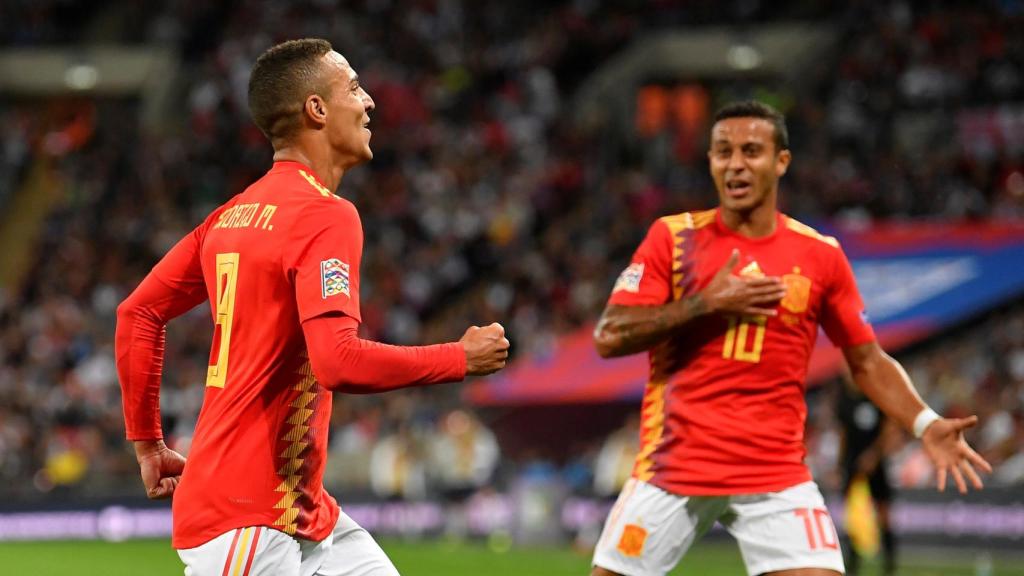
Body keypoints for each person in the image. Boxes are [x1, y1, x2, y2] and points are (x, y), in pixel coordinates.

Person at [115, 38, 509, 576]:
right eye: (353, 87)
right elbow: (338, 361)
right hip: (247, 522)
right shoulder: (326, 215)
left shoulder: (228, 217)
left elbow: (137, 314)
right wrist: (458, 358)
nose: (369, 101)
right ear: (316, 109)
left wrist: (148, 446)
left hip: (302, 512)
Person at [589, 100, 992, 576]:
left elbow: (866, 360)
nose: (735, 164)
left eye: (751, 151)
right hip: (674, 468)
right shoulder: (672, 238)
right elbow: (608, 336)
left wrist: (924, 422)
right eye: (723, 152)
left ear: (781, 161)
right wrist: (703, 304)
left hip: (774, 476)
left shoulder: (820, 256)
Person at [836, 377, 900, 576]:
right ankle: (853, 565)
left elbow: (889, 428)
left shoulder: (877, 396)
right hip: (853, 465)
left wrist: (874, 455)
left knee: (883, 514)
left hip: (877, 466)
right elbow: (843, 434)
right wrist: (840, 464)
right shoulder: (845, 401)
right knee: (854, 515)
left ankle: (889, 565)